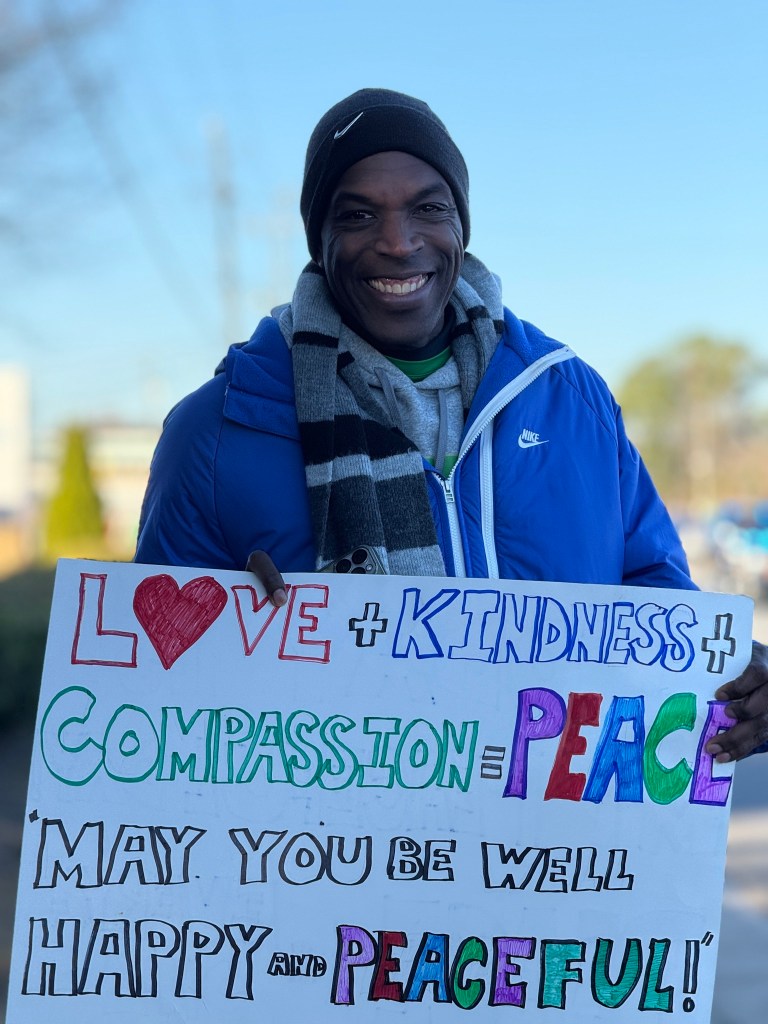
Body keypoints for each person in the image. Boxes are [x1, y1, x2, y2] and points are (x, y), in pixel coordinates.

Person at [135, 87, 768, 761]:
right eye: (356, 214)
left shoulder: (570, 400)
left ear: (462, 225)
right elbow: (157, 693)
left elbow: (656, 605)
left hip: (548, 848)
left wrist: (734, 677)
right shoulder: (219, 431)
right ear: (320, 241)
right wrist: (243, 640)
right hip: (324, 854)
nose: (399, 242)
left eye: (428, 208)